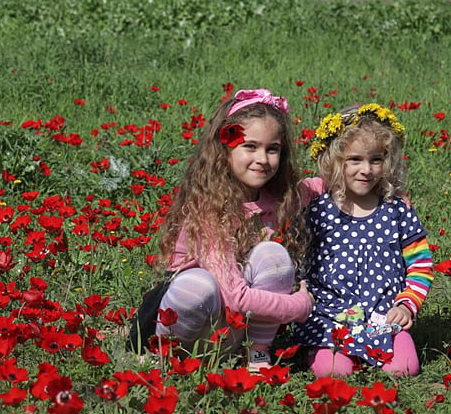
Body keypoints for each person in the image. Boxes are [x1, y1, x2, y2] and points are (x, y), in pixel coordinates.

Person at [131, 88, 323, 371]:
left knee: (272, 255)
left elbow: (324, 184)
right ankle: (165, 361)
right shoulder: (208, 211)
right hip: (188, 328)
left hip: (233, 335)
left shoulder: (280, 199)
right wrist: (300, 306)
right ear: (226, 148)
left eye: (272, 149)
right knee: (198, 283)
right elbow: (237, 298)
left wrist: (386, 196)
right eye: (250, 146)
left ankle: (257, 357)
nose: (262, 159)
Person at [293, 103, 434, 377]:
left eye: (376, 160)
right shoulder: (318, 209)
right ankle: (324, 350)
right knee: (334, 372)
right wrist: (300, 295)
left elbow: (421, 265)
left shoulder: (396, 209)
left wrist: (406, 305)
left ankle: (374, 348)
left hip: (384, 315)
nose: (366, 169)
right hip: (330, 315)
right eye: (354, 159)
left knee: (405, 368)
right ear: (335, 160)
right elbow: (299, 260)